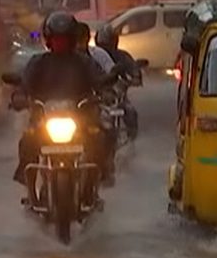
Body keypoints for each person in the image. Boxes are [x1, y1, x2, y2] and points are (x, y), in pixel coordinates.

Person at [14, 11, 113, 188]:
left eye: (64, 39)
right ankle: (26, 178)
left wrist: (105, 91)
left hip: (79, 120)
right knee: (28, 139)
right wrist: (20, 96)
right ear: (49, 40)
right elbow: (25, 83)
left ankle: (97, 178)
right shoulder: (39, 62)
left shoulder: (84, 62)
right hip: (45, 120)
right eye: (57, 39)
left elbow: (99, 80)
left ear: (72, 40)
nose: (60, 43)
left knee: (98, 136)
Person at [95, 24, 140, 136]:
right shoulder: (93, 55)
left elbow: (133, 68)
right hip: (97, 95)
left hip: (117, 93)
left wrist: (135, 76)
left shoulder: (122, 56)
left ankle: (131, 138)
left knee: (130, 111)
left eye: (109, 41)